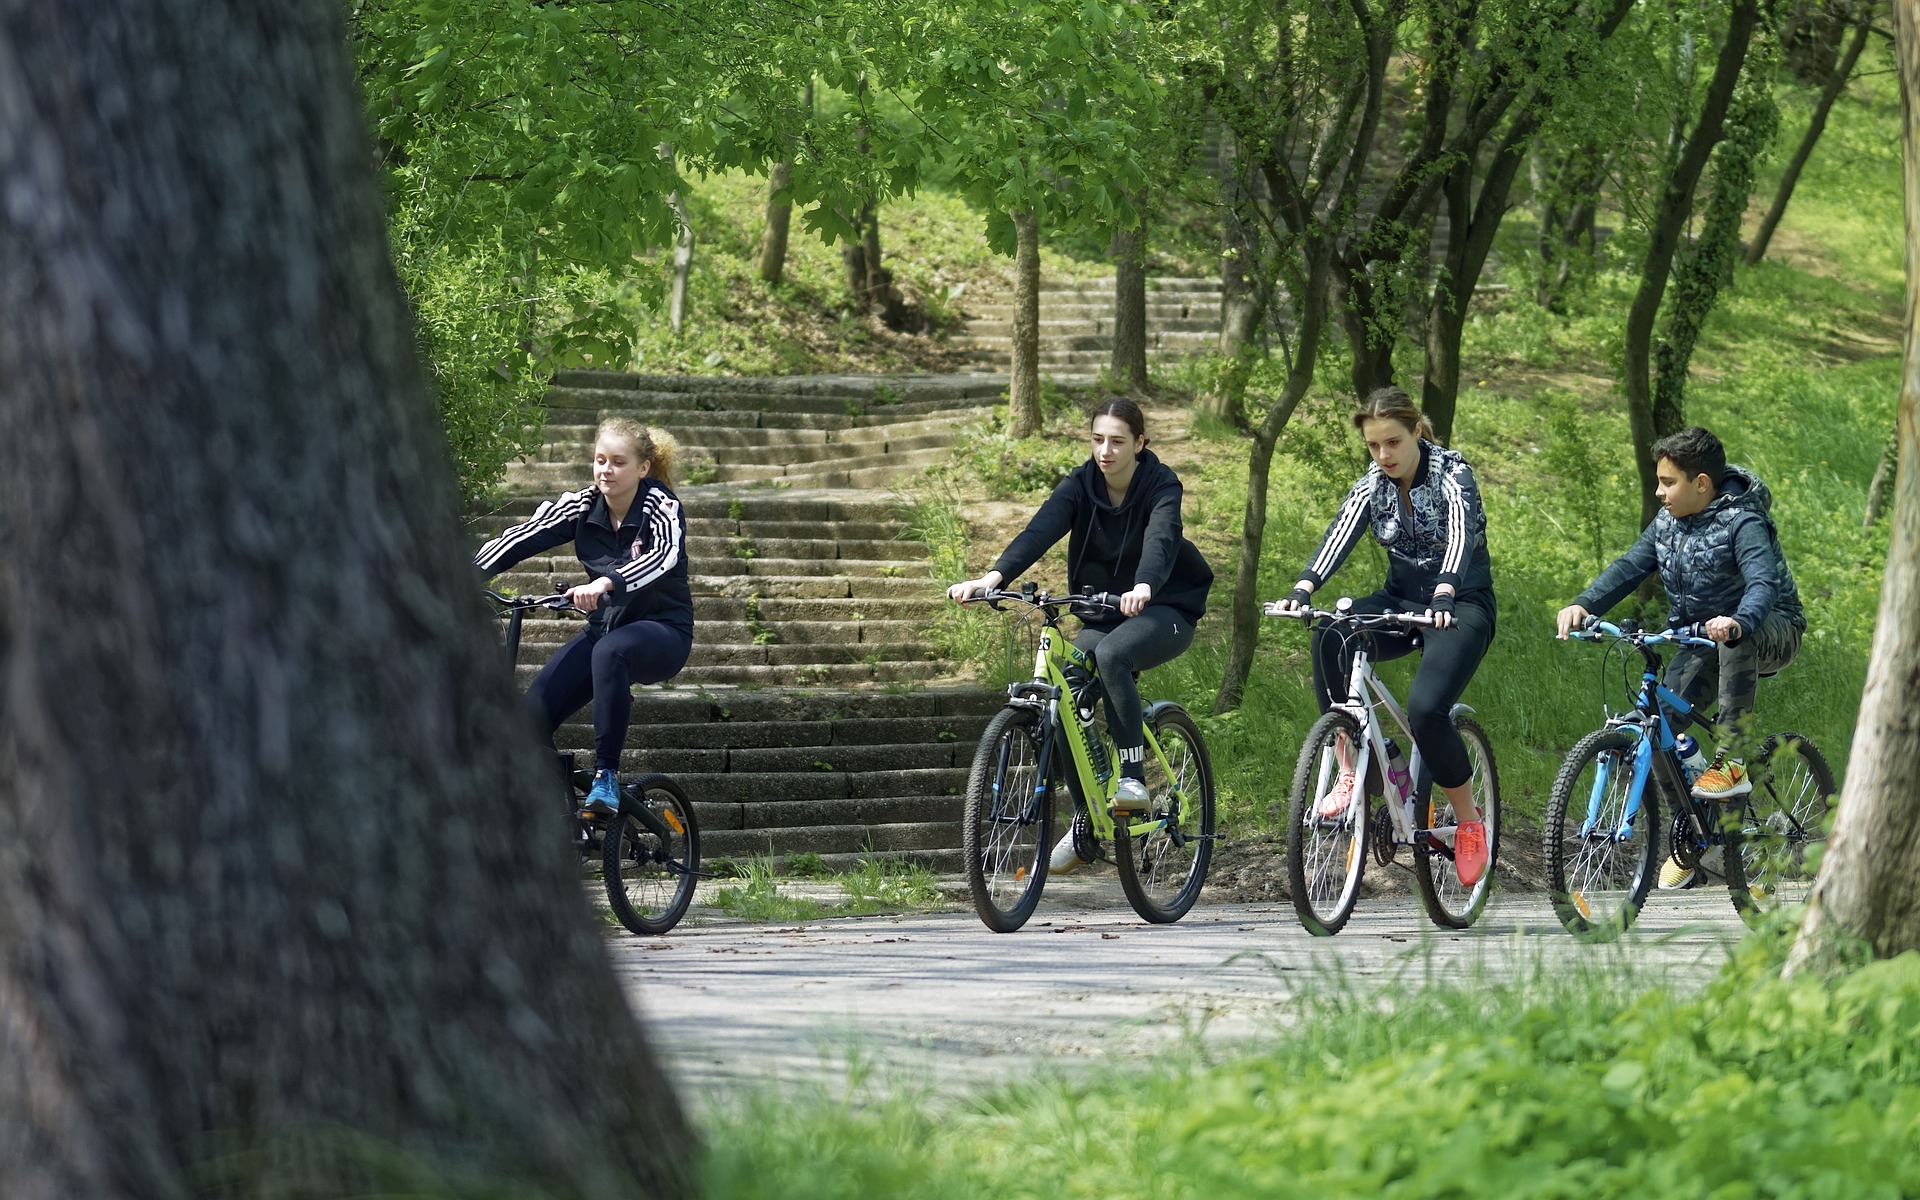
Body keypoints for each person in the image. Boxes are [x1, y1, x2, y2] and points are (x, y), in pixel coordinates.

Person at [948, 397, 1214, 874]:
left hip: (1166, 605)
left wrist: (1144, 585)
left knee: (1112, 656)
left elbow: (1162, 536)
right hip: (1106, 609)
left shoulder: (1160, 485)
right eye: (1097, 440)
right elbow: (1040, 530)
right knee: (1067, 686)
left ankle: (1133, 780)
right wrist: (992, 579)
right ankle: (1085, 818)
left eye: (1116, 441)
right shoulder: (1081, 484)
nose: (1105, 451)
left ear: (1140, 443)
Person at [1554, 426, 1804, 888]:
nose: (1659, 491)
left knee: (1733, 638)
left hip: (1768, 628)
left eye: (1668, 482)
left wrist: (1740, 620)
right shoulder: (1667, 522)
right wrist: (1584, 604)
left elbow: (1763, 584)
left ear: (1702, 483)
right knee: (1656, 720)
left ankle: (1731, 759)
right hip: (1699, 637)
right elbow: (1630, 567)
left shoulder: (1743, 521)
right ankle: (1686, 835)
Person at [1268, 387, 1495, 887]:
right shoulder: (1376, 482)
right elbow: (1339, 532)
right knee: (1332, 634)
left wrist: (1444, 592)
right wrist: (1304, 587)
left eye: (1392, 443)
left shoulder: (1454, 475)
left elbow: (1459, 534)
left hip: (1460, 607)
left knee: (1427, 709)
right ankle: (1354, 763)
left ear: (1416, 432)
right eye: (1373, 446)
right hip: (1402, 600)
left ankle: (1468, 820)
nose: (1383, 456)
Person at [475, 418, 694, 815]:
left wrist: (605, 583)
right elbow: (522, 537)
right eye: (599, 460)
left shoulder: (662, 507)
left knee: (611, 652)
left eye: (618, 462)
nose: (605, 470)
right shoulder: (583, 504)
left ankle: (606, 775)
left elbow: (664, 557)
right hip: (604, 632)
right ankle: (556, 816)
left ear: (643, 468)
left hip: (663, 630)